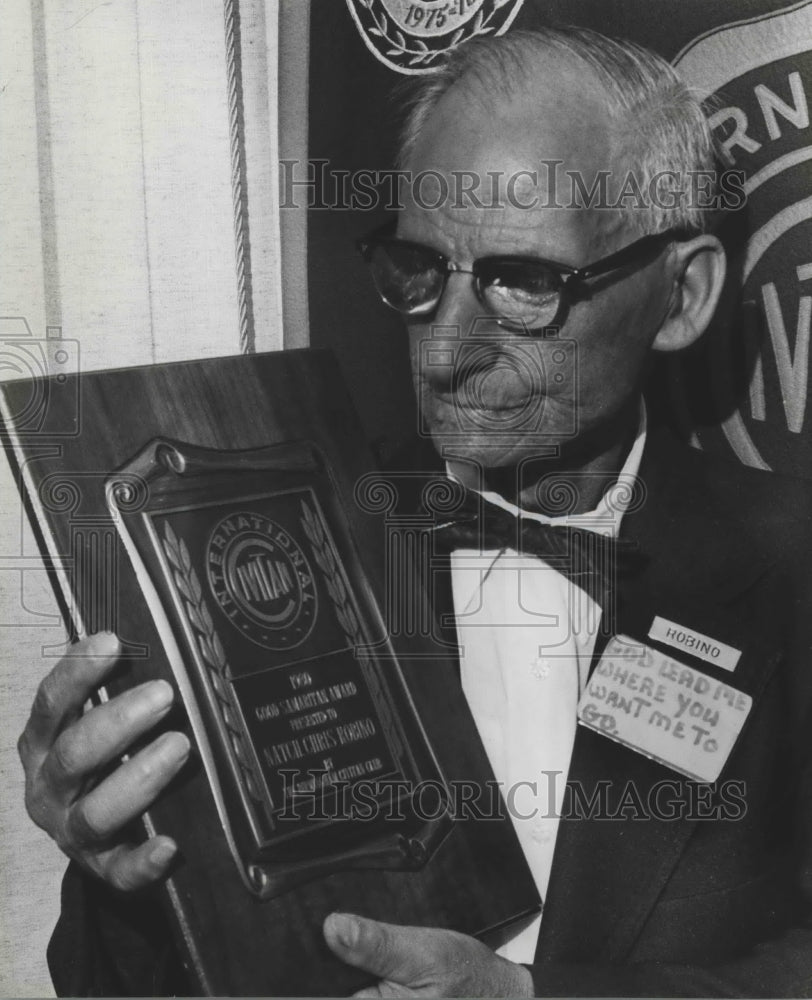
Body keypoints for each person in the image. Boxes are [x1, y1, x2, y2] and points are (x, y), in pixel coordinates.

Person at [17, 26, 812, 998]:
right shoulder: (272, 550)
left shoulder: (788, 568)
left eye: (524, 282)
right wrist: (121, 873)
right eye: (417, 271)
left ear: (680, 294)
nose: (441, 354)